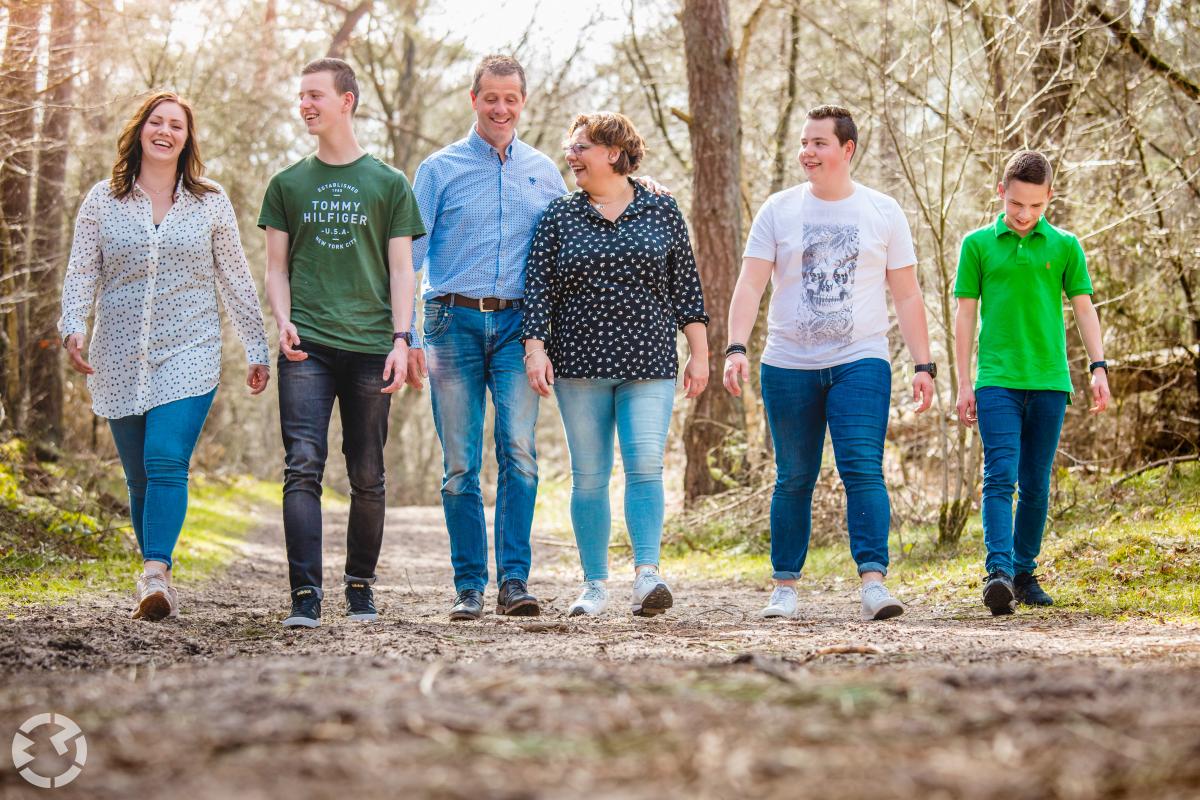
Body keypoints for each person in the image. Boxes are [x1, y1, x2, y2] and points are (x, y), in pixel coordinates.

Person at [407, 56, 668, 621]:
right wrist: (403, 335)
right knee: (459, 463)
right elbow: (411, 256)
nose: (501, 108)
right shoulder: (438, 170)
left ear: (522, 102)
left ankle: (515, 582)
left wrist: (636, 186)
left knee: (520, 454)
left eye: (511, 99)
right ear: (473, 99)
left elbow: (582, 215)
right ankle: (469, 585)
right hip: (450, 323)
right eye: (490, 98)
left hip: (518, 330)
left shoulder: (544, 170)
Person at [59, 91, 271, 621]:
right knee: (138, 478)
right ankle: (153, 572)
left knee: (165, 460)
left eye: (177, 125)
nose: (166, 131)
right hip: (119, 353)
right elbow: (83, 270)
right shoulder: (102, 200)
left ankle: (156, 573)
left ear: (187, 138)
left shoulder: (210, 200)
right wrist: (72, 327)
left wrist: (256, 346)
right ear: (140, 130)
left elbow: (235, 277)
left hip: (190, 349)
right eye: (157, 121)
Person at [724, 105, 935, 623]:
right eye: (803, 142)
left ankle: (873, 583)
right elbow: (751, 283)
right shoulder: (778, 209)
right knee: (794, 475)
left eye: (819, 143)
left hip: (859, 360)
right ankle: (784, 588)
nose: (807, 152)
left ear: (847, 149)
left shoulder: (883, 212)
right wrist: (735, 347)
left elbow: (907, 296)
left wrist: (923, 364)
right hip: (788, 362)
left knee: (862, 467)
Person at [258, 58, 425, 628]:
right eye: (300, 96)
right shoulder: (286, 184)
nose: (305, 104)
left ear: (346, 101)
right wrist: (281, 319)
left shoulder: (389, 183)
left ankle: (360, 587)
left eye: (314, 95)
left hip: (372, 345)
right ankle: (304, 595)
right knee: (302, 465)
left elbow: (403, 270)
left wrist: (402, 339)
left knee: (368, 472)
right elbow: (276, 268)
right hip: (306, 346)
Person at [522, 112, 708, 618]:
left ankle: (647, 576)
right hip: (579, 363)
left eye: (581, 146)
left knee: (645, 463)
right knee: (589, 475)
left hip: (648, 361)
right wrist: (535, 349)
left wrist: (701, 351)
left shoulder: (662, 211)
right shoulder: (558, 217)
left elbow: (686, 288)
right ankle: (595, 584)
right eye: (570, 146)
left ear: (613, 153)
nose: (572, 156)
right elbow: (538, 291)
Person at [954, 150, 1110, 615]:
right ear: (1001, 192)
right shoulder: (977, 245)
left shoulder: (1064, 246)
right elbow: (965, 315)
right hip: (997, 379)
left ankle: (1024, 573)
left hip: (1049, 380)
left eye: (1036, 206)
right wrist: (964, 382)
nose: (1024, 215)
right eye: (1017, 204)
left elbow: (1083, 307)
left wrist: (1098, 366)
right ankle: (997, 573)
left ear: (1049, 199)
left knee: (1037, 483)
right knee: (999, 476)